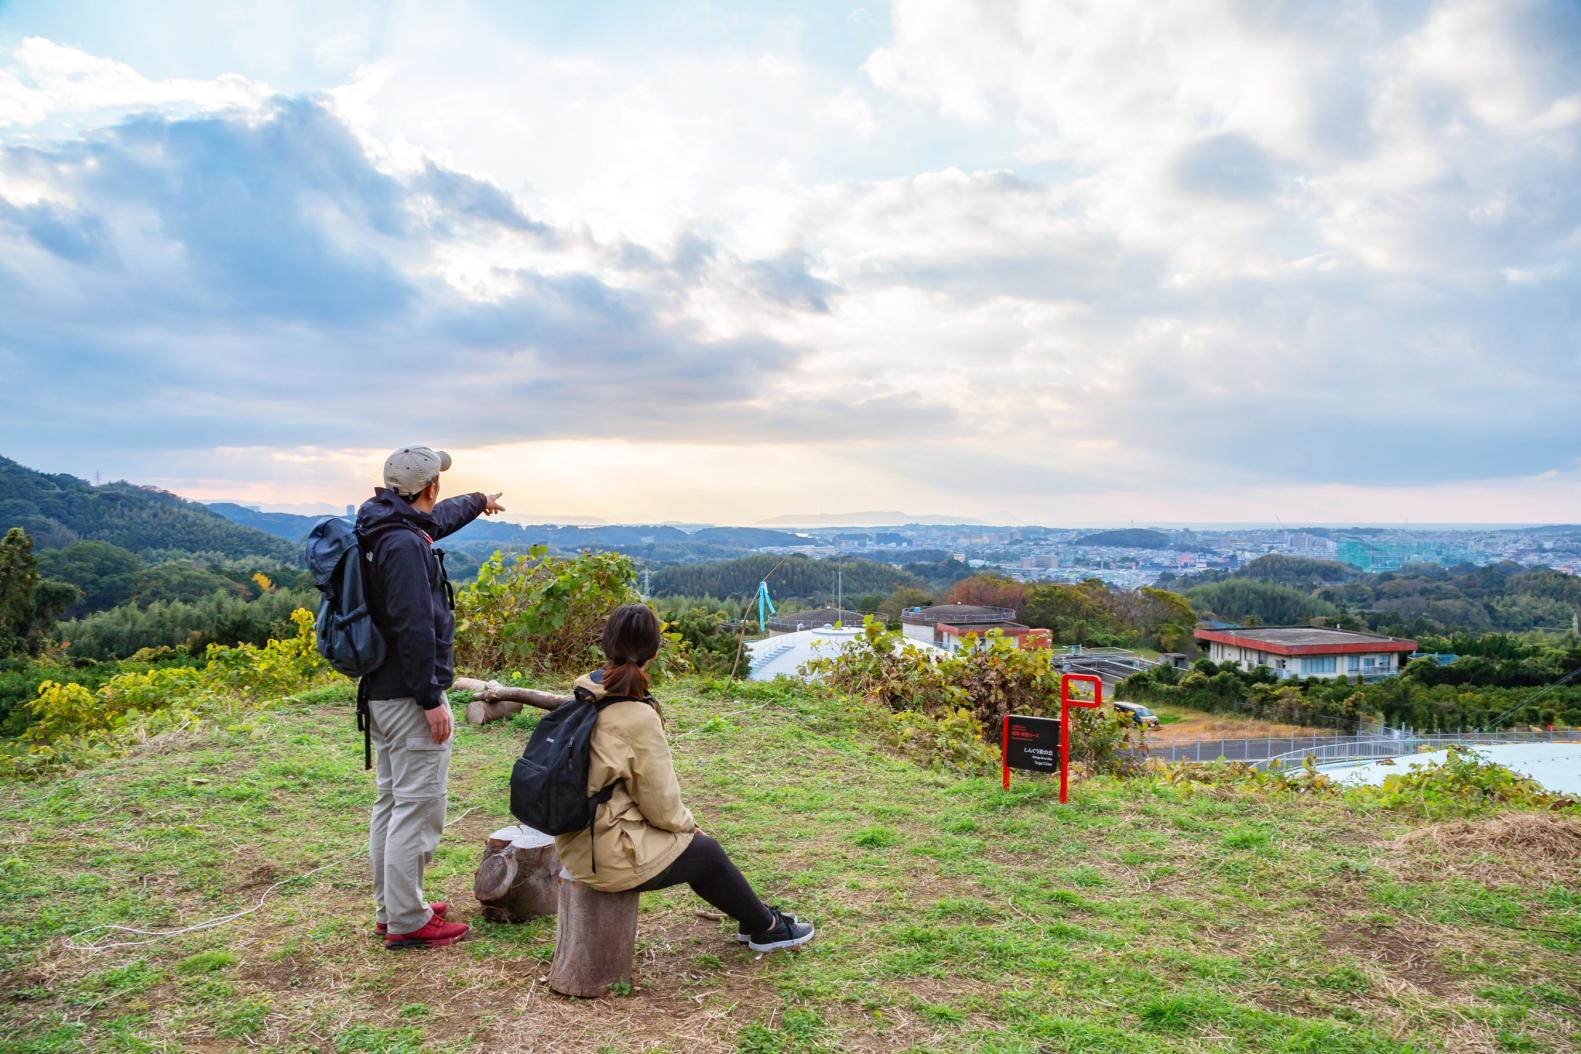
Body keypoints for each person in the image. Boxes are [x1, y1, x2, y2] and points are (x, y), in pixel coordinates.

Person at [556, 603, 815, 952]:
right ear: (655, 651)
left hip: (576, 842)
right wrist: (689, 826)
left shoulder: (587, 694)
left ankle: (757, 921)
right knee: (706, 853)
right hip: (604, 855)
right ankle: (767, 927)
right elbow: (661, 805)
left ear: (605, 645)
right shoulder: (635, 715)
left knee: (700, 853)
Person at [358, 446, 505, 950]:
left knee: (393, 802)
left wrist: (478, 500)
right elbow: (415, 627)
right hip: (407, 695)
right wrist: (430, 698)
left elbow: (435, 521)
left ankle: (393, 907)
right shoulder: (404, 546)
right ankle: (407, 919)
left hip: (382, 691)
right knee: (417, 810)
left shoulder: (382, 525)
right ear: (428, 487)